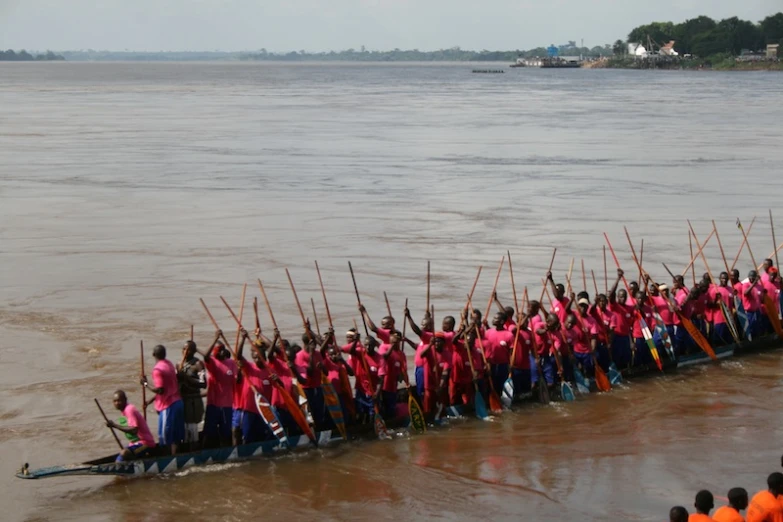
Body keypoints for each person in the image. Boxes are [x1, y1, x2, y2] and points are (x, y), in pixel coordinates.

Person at [233, 329, 275, 445]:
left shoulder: (269, 371)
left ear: (263, 357)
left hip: (264, 411)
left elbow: (280, 386)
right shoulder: (249, 368)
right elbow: (238, 356)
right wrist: (243, 339)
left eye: (259, 357)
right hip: (249, 410)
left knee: (262, 437)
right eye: (255, 357)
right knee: (247, 437)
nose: (257, 360)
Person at [141, 344, 185, 455]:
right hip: (178, 402)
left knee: (165, 438)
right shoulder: (169, 364)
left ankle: (167, 460)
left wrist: (146, 384)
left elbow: (160, 390)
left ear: (153, 355)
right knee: (176, 437)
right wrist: (150, 401)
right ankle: (176, 458)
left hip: (168, 406)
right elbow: (168, 388)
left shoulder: (157, 370)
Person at [200, 333, 237, 448]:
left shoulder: (231, 363)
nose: (222, 352)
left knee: (226, 432)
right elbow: (205, 356)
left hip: (227, 405)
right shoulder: (212, 363)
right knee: (209, 431)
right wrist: (215, 338)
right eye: (219, 350)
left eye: (223, 349)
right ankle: (205, 451)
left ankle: (227, 450)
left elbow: (237, 378)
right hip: (213, 404)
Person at [106, 390, 155, 462]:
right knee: (119, 460)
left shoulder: (129, 410)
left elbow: (134, 430)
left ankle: (138, 463)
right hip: (135, 443)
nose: (117, 403)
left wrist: (114, 425)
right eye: (115, 401)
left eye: (119, 401)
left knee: (124, 453)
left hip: (145, 443)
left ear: (125, 400)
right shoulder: (124, 412)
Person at [178, 340, 205, 450]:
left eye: (188, 349)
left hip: (193, 401)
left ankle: (194, 450)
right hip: (182, 401)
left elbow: (203, 384)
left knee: (192, 429)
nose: (185, 351)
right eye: (184, 349)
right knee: (182, 429)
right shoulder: (179, 364)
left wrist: (186, 377)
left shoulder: (198, 364)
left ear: (193, 351)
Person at [482, 311, 514, 396]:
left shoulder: (509, 335)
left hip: (503, 365)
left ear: (502, 322)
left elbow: (512, 352)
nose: (493, 320)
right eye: (494, 318)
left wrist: (510, 365)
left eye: (496, 319)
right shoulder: (488, 332)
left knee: (501, 385)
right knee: (490, 384)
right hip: (491, 364)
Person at [376, 330, 404, 418]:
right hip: (383, 386)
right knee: (382, 407)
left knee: (391, 409)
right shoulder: (386, 352)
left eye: (396, 342)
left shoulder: (401, 354)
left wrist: (402, 377)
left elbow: (402, 371)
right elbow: (384, 357)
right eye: (392, 342)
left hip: (393, 386)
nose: (394, 344)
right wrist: (392, 346)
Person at [742, 271, 767, 339]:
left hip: (757, 311)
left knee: (758, 328)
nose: (752, 279)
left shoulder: (760, 286)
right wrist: (753, 284)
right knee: (750, 328)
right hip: (749, 312)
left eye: (753, 277)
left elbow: (761, 300)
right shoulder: (746, 285)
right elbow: (746, 293)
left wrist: (764, 293)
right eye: (750, 277)